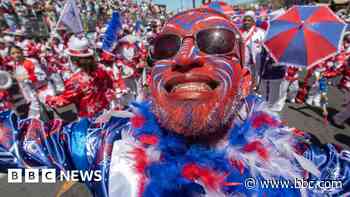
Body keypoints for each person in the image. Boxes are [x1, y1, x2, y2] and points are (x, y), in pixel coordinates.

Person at [0, 7, 349, 197]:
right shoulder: (102, 149)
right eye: (164, 48)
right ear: (151, 80)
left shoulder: (302, 165)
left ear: (244, 82)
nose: (184, 58)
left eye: (215, 42)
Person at [45, 35, 115, 119]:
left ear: (74, 60)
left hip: (91, 119)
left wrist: (48, 98)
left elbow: (63, 101)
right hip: (107, 111)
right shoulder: (101, 68)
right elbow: (110, 85)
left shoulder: (76, 80)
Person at [240, 10, 265, 88]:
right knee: (245, 83)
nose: (246, 22)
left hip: (257, 62)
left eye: (249, 20)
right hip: (244, 63)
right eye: (244, 20)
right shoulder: (239, 32)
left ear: (253, 21)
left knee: (257, 82)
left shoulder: (261, 33)